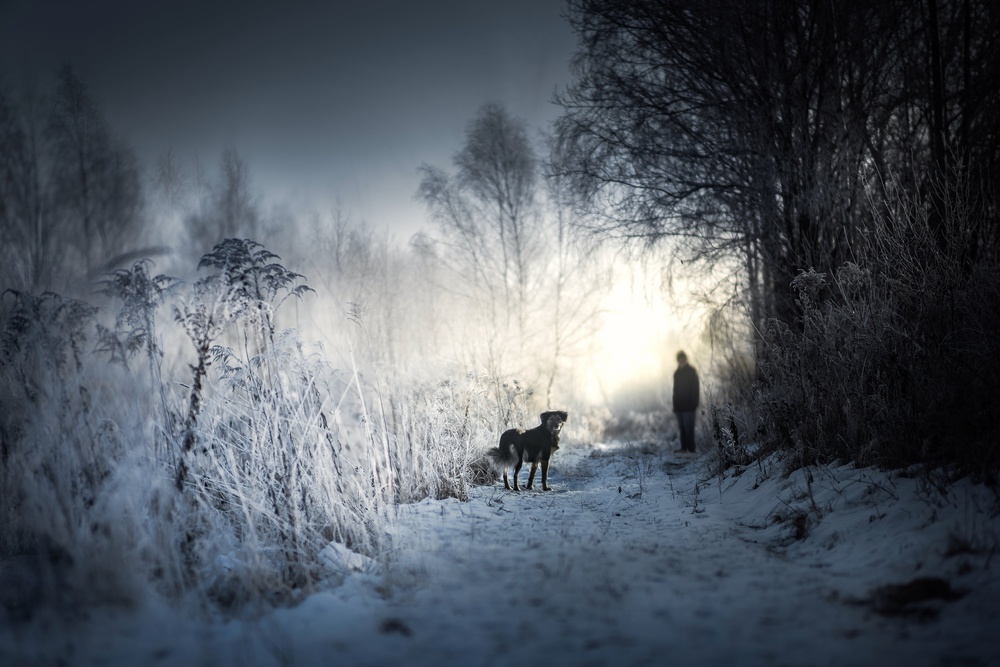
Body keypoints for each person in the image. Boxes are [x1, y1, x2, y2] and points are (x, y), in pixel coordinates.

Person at [672, 351, 699, 454]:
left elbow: (696, 388)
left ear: (686, 359)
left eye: (683, 359)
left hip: (689, 406)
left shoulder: (692, 371)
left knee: (689, 428)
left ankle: (692, 449)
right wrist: (675, 405)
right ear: (678, 360)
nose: (682, 361)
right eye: (680, 359)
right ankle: (683, 448)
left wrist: (694, 404)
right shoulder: (676, 373)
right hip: (679, 407)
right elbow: (675, 390)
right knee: (682, 428)